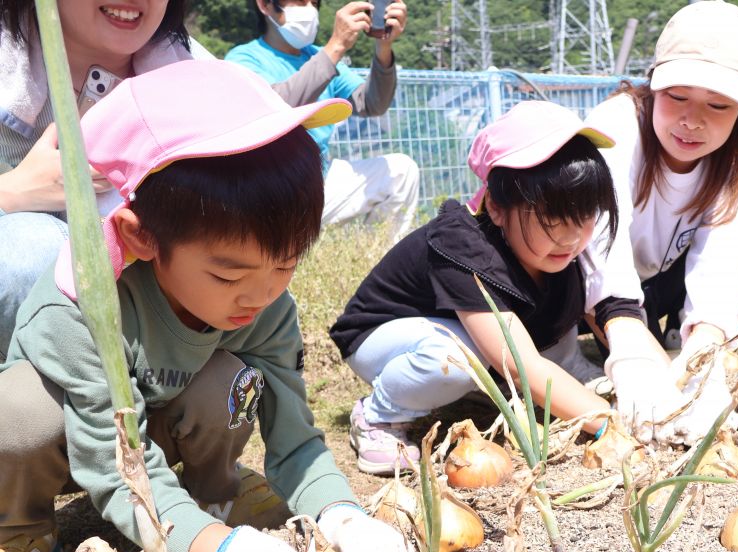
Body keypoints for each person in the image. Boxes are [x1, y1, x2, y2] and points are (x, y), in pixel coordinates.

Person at [0, 61, 414, 552]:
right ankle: (17, 529)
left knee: (232, 383)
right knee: (19, 411)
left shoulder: (266, 307)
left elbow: (294, 434)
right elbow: (120, 465)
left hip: (168, 427)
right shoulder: (78, 310)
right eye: (228, 276)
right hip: (78, 444)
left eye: (287, 263)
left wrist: (344, 516)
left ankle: (212, 494)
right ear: (138, 235)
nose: (263, 293)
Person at [329, 101, 619, 474]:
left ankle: (564, 380)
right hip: (385, 339)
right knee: (456, 360)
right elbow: (518, 362)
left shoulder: (552, 245)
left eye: (585, 214)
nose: (573, 236)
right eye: (553, 218)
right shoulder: (462, 246)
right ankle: (378, 416)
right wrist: (610, 425)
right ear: (496, 207)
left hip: (461, 334)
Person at [580, 0, 738, 446]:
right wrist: (625, 336)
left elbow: (719, 266)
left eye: (718, 105)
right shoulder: (614, 127)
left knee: (687, 366)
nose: (692, 120)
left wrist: (704, 357)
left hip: (656, 283)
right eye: (677, 96)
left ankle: (666, 354)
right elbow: (598, 241)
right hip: (589, 282)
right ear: (653, 85)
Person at [0, 0, 195, 364]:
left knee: (217, 391)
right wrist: (13, 192)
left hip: (153, 353)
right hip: (31, 368)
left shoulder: (202, 83)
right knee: (28, 253)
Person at [227, 0, 419, 240]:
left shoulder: (319, 55)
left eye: (313, 2)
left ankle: (379, 259)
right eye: (298, 1)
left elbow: (371, 103)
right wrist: (336, 46)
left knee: (402, 171)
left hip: (321, 180)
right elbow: (275, 109)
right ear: (265, 5)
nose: (308, 8)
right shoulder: (243, 59)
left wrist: (383, 47)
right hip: (272, 193)